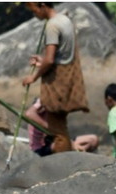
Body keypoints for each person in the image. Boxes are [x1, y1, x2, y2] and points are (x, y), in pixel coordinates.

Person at [22, 2, 88, 154]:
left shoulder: (52, 26)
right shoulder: (65, 20)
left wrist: (34, 77)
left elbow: (50, 59)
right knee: (61, 127)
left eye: (34, 11)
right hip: (66, 82)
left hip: (57, 85)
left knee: (58, 134)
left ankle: (63, 169)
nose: (35, 15)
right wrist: (41, 62)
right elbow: (61, 57)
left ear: (42, 5)